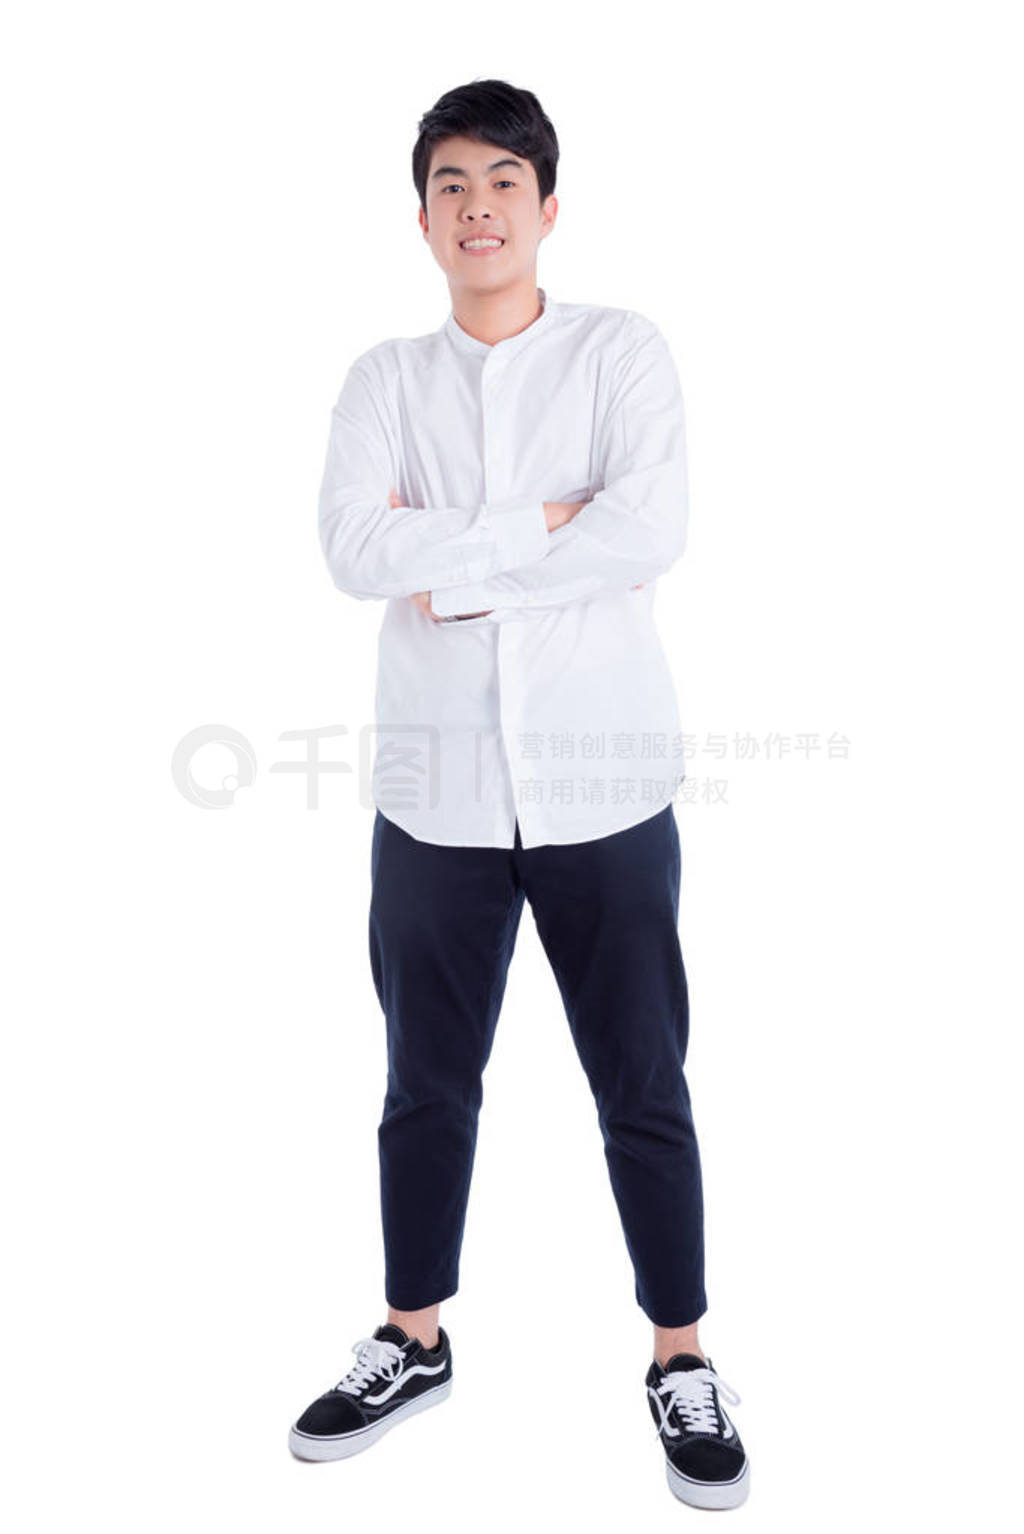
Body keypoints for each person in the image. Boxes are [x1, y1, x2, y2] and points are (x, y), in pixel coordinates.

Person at [288, 78, 749, 1510]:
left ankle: (680, 1347)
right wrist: (548, 524)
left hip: (605, 783)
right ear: (420, 216)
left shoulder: (623, 355)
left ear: (549, 206)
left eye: (503, 181)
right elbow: (358, 555)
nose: (477, 207)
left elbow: (651, 527)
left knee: (643, 1081)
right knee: (425, 1082)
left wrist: (460, 560)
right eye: (449, 185)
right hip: (436, 795)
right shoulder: (383, 382)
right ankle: (412, 1332)